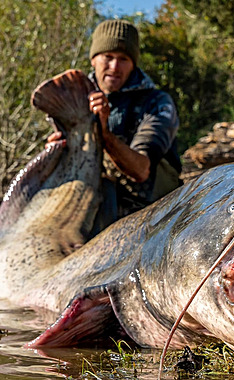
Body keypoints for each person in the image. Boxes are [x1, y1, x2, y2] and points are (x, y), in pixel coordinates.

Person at [47, 19, 182, 231]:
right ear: (93, 59)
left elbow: (141, 170)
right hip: (91, 204)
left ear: (133, 63)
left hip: (153, 211)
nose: (114, 67)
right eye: (107, 57)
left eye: (123, 59)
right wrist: (56, 153)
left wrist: (104, 135)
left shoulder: (156, 102)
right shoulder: (74, 101)